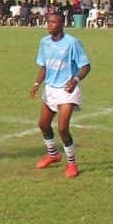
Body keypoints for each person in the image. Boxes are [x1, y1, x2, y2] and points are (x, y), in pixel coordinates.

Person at [30, 12, 91, 178]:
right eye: (48, 21)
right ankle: (53, 155)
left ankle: (72, 164)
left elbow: (85, 66)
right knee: (43, 124)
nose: (49, 25)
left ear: (62, 24)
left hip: (66, 90)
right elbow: (44, 66)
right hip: (50, 89)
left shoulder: (72, 43)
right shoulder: (44, 42)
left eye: (53, 22)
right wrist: (37, 83)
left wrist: (75, 79)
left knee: (63, 128)